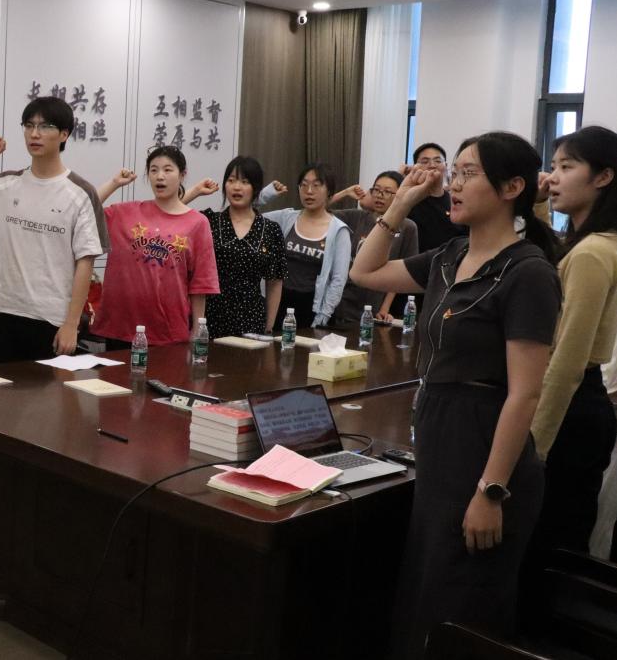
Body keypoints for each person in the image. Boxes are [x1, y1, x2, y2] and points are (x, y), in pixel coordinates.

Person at [350, 131, 560, 659]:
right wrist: (401, 202)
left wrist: (491, 491)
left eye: (469, 174)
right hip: (441, 438)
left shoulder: (528, 272)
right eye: (455, 173)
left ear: (512, 188)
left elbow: (524, 395)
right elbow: (364, 271)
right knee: (425, 592)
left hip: (485, 447)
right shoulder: (450, 254)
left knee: (464, 604)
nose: (454, 185)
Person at [0, 96, 107, 364]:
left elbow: (86, 261)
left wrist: (71, 324)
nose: (35, 134)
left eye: (45, 126)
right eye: (29, 125)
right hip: (2, 312)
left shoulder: (81, 193)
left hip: (51, 319)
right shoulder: (7, 183)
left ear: (64, 134)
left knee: (46, 391)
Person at [528, 126, 617, 558]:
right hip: (583, 405)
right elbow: (552, 258)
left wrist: (534, 446)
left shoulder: (592, 253)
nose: (553, 177)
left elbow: (567, 360)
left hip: (572, 407)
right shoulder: (592, 243)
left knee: (549, 542)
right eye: (553, 166)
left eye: (567, 166)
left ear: (603, 177)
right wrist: (538, 205)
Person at [90, 146, 219, 348]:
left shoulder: (197, 223)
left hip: (167, 331)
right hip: (120, 328)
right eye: (153, 170)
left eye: (168, 170)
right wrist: (114, 183)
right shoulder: (125, 213)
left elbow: (201, 282)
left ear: (182, 175)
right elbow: (85, 209)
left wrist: (197, 329)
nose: (160, 176)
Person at [180, 156, 287, 338]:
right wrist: (196, 191)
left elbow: (275, 282)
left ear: (256, 188)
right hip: (210, 320)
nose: (237, 187)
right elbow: (169, 211)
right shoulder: (209, 221)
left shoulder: (270, 229)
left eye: (244, 182)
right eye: (231, 181)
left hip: (252, 321)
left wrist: (269, 328)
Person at [254, 163, 351, 329]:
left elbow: (338, 280)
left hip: (312, 309)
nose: (309, 191)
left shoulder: (339, 231)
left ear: (329, 191)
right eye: (304, 185)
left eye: (316, 185)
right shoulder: (285, 218)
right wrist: (265, 196)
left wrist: (323, 317)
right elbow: (247, 216)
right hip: (277, 303)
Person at [408, 142, 468, 251]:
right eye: (425, 161)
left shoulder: (456, 201)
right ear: (415, 167)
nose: (432, 165)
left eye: (438, 161)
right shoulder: (409, 201)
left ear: (446, 165)